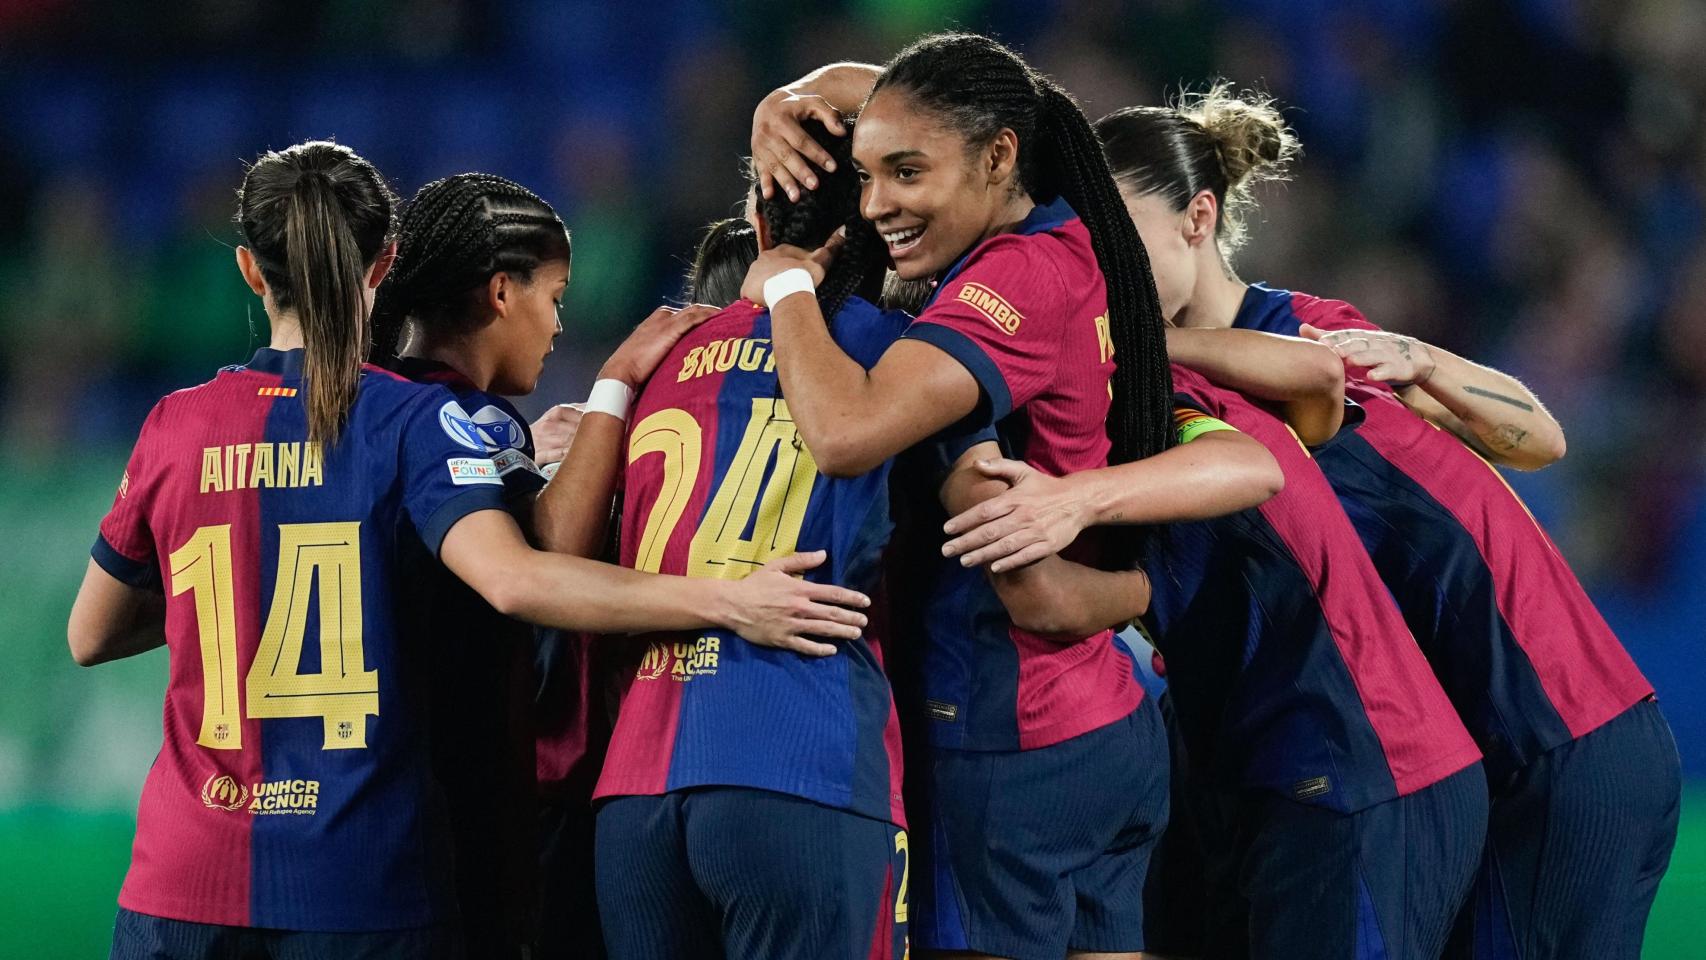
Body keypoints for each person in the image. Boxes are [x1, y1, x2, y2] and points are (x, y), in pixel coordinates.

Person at [66, 140, 873, 959]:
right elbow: (520, 576)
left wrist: (254, 578)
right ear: (383, 262)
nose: (559, 319)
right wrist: (726, 597)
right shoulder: (417, 423)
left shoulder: (177, 422)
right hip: (359, 881)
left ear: (248, 269)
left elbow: (90, 635)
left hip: (178, 882)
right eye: (555, 296)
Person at [1092, 87, 1678, 958]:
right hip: (1483, 744)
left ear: (1197, 217)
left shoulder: (1312, 338)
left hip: (1559, 731)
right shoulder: (1203, 381)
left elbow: (1542, 437)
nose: (1103, 272)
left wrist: (1425, 357)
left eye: (1117, 239)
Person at [745, 35, 1281, 960]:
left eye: (906, 175)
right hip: (1103, 718)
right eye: (869, 175)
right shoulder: (1065, 214)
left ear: (998, 156)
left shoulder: (1015, 281)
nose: (877, 208)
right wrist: (782, 100)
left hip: (1006, 732)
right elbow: (891, 100)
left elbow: (843, 433)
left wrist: (787, 284)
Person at [366, 171, 582, 958]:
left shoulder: (370, 405)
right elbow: (544, 562)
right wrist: (617, 401)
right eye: (555, 296)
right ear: (501, 292)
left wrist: (525, 459)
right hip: (459, 801)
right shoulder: (465, 419)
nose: (559, 325)